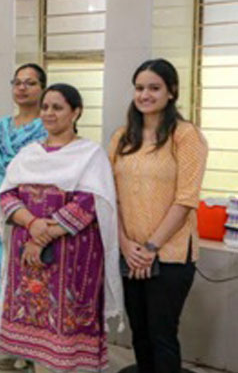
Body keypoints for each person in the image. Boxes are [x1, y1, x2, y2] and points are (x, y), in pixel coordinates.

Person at [0, 84, 123, 372]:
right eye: (45, 107)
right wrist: (32, 223)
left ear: (76, 112)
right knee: (32, 307)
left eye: (57, 107)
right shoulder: (29, 153)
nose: (49, 113)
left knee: (66, 316)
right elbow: (7, 194)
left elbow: (89, 202)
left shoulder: (90, 154)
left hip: (71, 252)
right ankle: (31, 360)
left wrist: (41, 238)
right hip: (26, 250)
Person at [109, 59, 207, 373]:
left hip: (170, 254)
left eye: (154, 88)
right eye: (139, 88)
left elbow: (186, 199)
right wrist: (125, 245)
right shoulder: (122, 137)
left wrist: (151, 248)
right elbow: (111, 196)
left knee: (161, 333)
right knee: (139, 332)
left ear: (171, 92)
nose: (145, 95)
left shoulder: (186, 136)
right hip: (129, 252)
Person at [0, 63, 47, 371]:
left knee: (35, 284)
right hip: (0, 218)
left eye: (30, 83)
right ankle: (16, 347)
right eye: (17, 82)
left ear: (42, 88)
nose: (22, 88)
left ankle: (38, 352)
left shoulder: (49, 129)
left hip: (37, 220)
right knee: (4, 280)